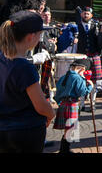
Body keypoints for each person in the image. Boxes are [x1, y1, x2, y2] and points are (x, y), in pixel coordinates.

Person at [0, 11, 55, 153]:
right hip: (25, 131)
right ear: (31, 37)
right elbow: (41, 105)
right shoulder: (24, 67)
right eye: (39, 34)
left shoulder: (2, 58)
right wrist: (51, 114)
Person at [53, 58, 93, 153]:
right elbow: (82, 92)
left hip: (63, 104)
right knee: (70, 129)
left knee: (68, 129)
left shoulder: (64, 76)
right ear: (82, 69)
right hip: (72, 105)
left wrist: (58, 101)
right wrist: (90, 86)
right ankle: (64, 151)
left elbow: (58, 90)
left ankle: (64, 150)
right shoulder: (78, 78)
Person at [75, 6, 102, 108]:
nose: (85, 15)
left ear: (91, 15)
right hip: (82, 55)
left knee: (94, 80)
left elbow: (101, 42)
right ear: (81, 14)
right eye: (84, 13)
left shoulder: (97, 26)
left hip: (94, 54)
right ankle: (81, 104)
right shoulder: (77, 25)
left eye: (87, 13)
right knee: (81, 79)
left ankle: (93, 103)